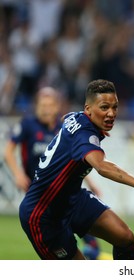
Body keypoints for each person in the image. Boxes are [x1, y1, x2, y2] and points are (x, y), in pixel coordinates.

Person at [18, 79, 134, 260]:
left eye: (115, 107)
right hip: (42, 214)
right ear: (89, 109)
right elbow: (102, 166)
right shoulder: (84, 134)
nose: (111, 114)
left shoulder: (76, 117)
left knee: (125, 238)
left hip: (73, 199)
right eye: (104, 108)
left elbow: (67, 118)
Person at [3, 86, 108, 259]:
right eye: (42, 105)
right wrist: (18, 174)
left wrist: (91, 183)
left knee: (70, 214)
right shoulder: (27, 125)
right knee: (54, 226)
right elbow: (8, 151)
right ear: (36, 107)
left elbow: (77, 159)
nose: (46, 109)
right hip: (38, 190)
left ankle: (89, 249)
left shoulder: (65, 128)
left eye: (50, 105)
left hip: (62, 187)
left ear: (57, 107)